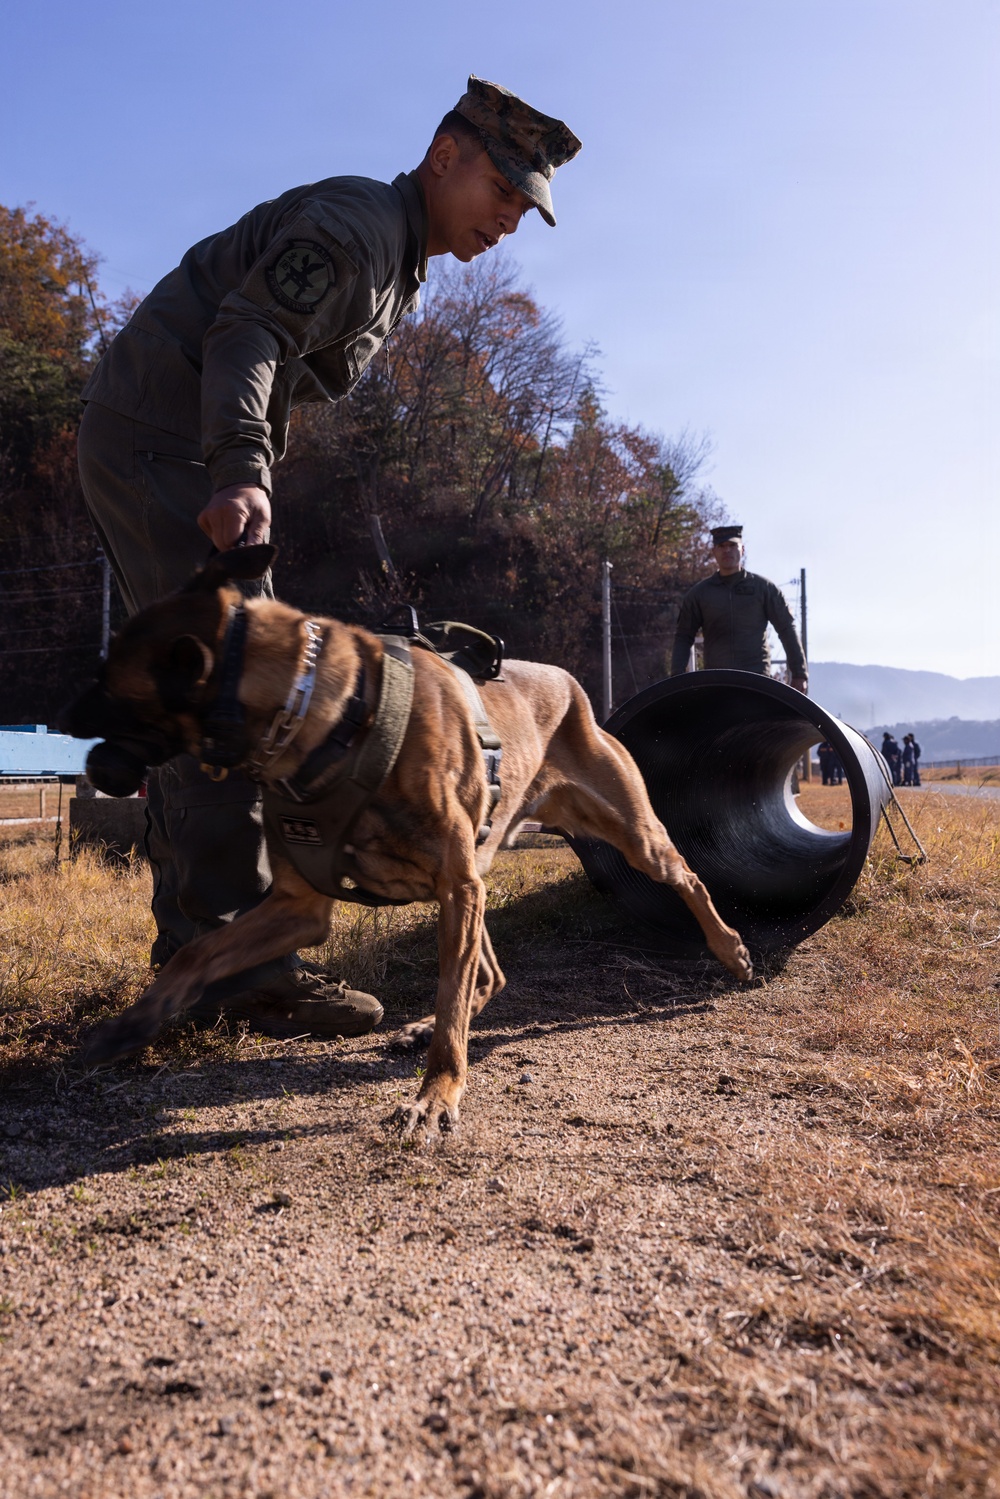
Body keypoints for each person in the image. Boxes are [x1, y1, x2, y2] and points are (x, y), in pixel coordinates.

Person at [76, 77, 581, 1039]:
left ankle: (224, 950)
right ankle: (235, 970)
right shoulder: (356, 226)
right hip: (167, 443)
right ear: (445, 158)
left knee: (248, 691)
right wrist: (237, 470)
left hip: (171, 439)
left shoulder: (398, 257)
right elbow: (246, 333)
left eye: (526, 207)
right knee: (239, 691)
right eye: (504, 192)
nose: (510, 220)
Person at [669, 526, 808, 689]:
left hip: (757, 683)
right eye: (721, 546)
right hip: (717, 684)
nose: (727, 550)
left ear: (742, 549)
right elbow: (684, 637)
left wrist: (799, 674)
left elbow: (786, 629)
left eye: (732, 545)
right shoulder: (700, 594)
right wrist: (676, 678)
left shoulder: (764, 589)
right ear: (714, 551)